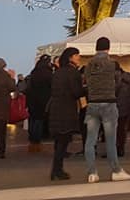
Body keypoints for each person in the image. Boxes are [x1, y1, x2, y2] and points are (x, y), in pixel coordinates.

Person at [83, 37, 130, 183]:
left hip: (92, 104)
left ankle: (92, 173)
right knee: (111, 140)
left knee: (90, 140)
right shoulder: (112, 64)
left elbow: (86, 81)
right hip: (108, 104)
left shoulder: (89, 65)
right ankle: (116, 170)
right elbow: (118, 84)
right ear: (108, 48)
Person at [49, 47, 85, 181]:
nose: (78, 57)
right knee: (63, 142)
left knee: (59, 142)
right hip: (67, 109)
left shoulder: (58, 72)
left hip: (55, 108)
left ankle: (56, 170)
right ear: (70, 57)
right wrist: (86, 90)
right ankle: (57, 171)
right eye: (76, 55)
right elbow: (76, 92)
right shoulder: (73, 73)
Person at [25, 55, 53, 153]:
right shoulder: (48, 73)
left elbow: (28, 88)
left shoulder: (33, 73)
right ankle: (37, 141)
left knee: (33, 119)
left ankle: (32, 139)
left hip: (32, 100)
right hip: (43, 100)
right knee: (39, 120)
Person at [115, 65, 130, 159]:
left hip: (115, 107)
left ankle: (115, 148)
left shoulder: (115, 78)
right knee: (122, 129)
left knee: (114, 130)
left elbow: (113, 92)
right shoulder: (128, 79)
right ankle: (121, 148)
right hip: (127, 107)